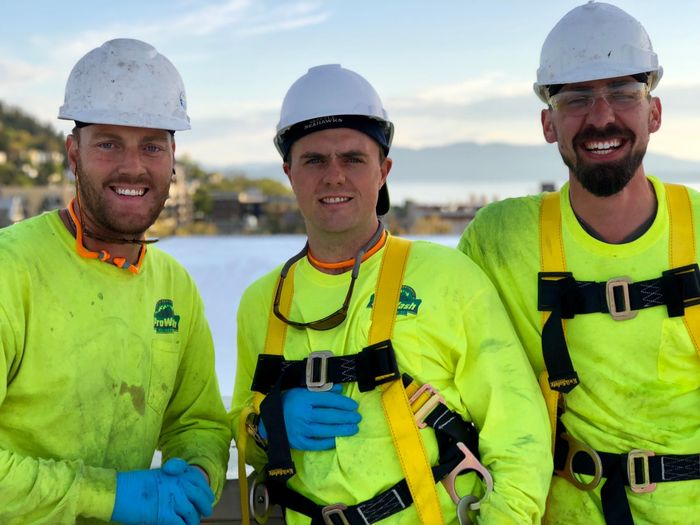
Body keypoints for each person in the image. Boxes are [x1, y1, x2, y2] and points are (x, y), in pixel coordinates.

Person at [230, 64, 551, 525]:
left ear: (383, 170)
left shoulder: (448, 278)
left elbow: (519, 432)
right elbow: (248, 433)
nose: (334, 176)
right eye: (314, 160)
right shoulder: (263, 303)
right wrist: (266, 426)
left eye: (354, 159)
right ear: (289, 172)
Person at [459, 2, 700, 524]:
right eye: (576, 99)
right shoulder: (500, 240)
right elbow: (441, 361)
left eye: (623, 93)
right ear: (548, 123)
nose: (601, 117)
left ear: (655, 112)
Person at [0, 38, 230, 524]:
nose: (133, 167)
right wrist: (110, 496)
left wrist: (197, 473)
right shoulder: (12, 269)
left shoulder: (174, 288)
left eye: (151, 145)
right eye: (108, 143)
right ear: (73, 153)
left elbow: (198, 420)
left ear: (172, 159)